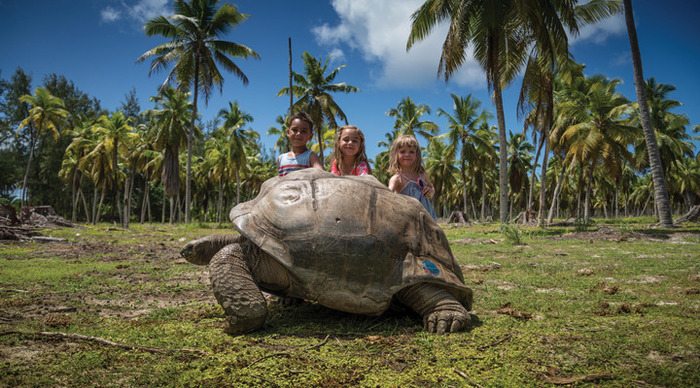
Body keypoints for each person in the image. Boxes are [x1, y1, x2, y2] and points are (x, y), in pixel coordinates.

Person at [387, 134, 437, 219]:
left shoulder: (422, 174)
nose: (407, 154)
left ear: (417, 155)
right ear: (396, 155)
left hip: (427, 217)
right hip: (408, 220)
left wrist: (430, 191)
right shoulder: (397, 179)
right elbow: (387, 196)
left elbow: (431, 188)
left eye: (411, 152)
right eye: (402, 151)